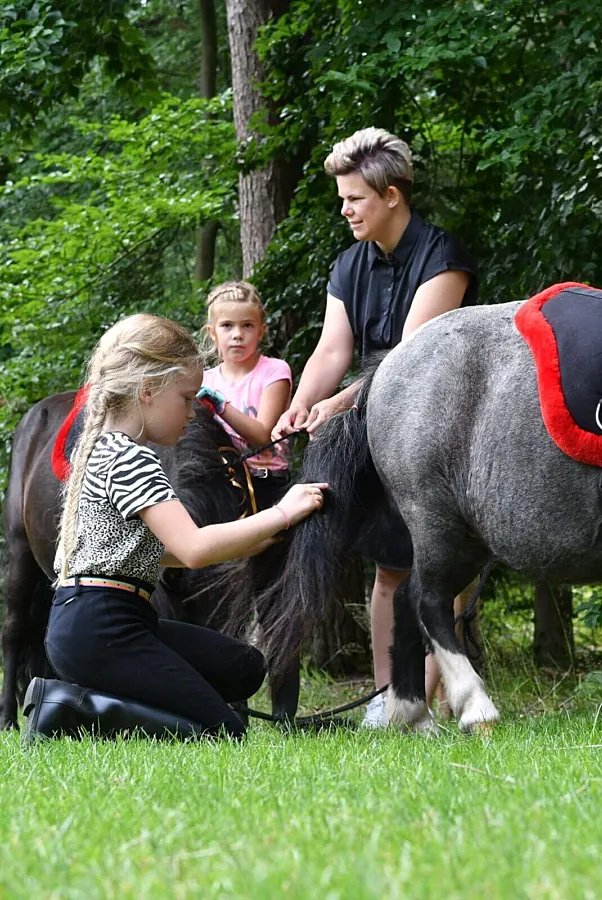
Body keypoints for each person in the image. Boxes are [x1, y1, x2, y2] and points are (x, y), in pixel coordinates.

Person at [23, 314, 327, 744]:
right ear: (147, 392)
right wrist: (283, 512)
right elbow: (193, 549)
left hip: (103, 620)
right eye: (186, 398)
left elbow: (146, 550)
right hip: (101, 627)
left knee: (244, 666)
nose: (191, 411)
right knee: (224, 730)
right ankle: (70, 709)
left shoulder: (103, 449)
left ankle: (120, 696)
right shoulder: (132, 459)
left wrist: (253, 536)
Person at [272, 126, 477, 728]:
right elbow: (331, 352)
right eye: (342, 198)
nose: (345, 210)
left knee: (436, 569)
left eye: (354, 198)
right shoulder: (348, 264)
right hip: (374, 425)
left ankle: (426, 703)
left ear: (391, 195)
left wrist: (334, 406)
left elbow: (408, 359)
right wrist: (299, 406)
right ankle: (391, 702)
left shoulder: (444, 257)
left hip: (442, 428)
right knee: (390, 567)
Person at [197, 281, 292, 511]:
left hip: (267, 483)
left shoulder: (274, 371)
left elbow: (262, 436)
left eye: (247, 326)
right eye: (227, 325)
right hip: (221, 485)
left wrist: (221, 406)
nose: (238, 335)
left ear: (262, 330)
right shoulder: (204, 380)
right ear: (212, 332)